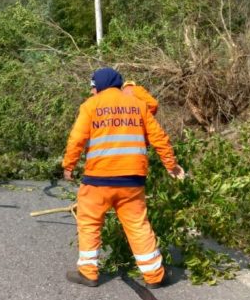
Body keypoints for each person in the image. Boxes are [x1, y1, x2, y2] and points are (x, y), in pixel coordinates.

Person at [62, 67, 186, 288]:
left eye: (92, 87)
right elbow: (158, 137)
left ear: (98, 86)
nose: (91, 91)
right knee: (138, 226)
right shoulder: (138, 105)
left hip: (97, 180)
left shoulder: (90, 106)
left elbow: (76, 139)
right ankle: (155, 276)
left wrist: (68, 166)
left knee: (89, 223)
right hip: (132, 181)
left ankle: (89, 273)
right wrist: (170, 164)